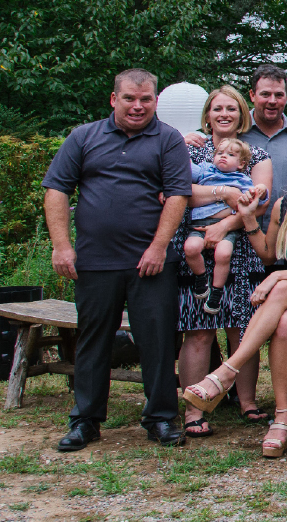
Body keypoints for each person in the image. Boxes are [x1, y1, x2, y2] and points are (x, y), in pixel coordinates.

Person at [42, 68, 191, 451]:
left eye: (145, 99)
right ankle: (86, 420)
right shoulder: (84, 137)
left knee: (157, 341)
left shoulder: (168, 139)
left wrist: (159, 247)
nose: (138, 106)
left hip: (152, 261)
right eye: (129, 98)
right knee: (93, 341)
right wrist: (62, 246)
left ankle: (160, 418)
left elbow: (177, 195)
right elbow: (57, 189)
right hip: (94, 260)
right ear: (114, 99)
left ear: (155, 101)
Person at [181, 141, 287, 458]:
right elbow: (268, 254)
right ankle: (283, 416)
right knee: (286, 322)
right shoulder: (283, 207)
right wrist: (247, 219)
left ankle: (227, 371)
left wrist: (277, 277)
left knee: (282, 289)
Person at [173, 85, 275, 434]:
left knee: (240, 329)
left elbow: (259, 202)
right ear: (207, 114)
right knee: (198, 329)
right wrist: (225, 193)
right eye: (218, 108)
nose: (225, 114)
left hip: (239, 249)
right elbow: (181, 193)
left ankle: (246, 402)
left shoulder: (256, 154)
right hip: (195, 247)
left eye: (232, 108)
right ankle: (194, 410)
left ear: (241, 114)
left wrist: (228, 224)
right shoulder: (189, 151)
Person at [183, 138, 268, 315]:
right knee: (190, 248)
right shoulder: (205, 170)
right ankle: (201, 279)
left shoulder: (242, 179)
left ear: (240, 164)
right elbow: (187, 171)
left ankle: (216, 292)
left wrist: (261, 190)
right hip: (199, 224)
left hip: (227, 228)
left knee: (223, 254)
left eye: (230, 155)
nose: (223, 157)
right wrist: (181, 147)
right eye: (220, 153)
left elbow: (259, 199)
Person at [239, 64, 287, 197]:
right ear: (252, 95)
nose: (272, 101)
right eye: (265, 94)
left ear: (286, 97)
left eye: (278, 95)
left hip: (286, 217)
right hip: (239, 216)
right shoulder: (236, 132)